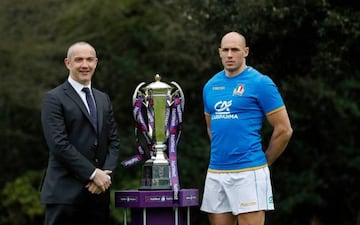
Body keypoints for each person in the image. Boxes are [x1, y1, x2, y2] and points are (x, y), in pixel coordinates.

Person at [200, 32, 293, 225]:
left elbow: (284, 130)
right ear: (219, 52)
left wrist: (263, 163)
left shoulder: (260, 83)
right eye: (225, 50)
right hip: (216, 172)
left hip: (249, 172)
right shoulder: (210, 86)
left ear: (246, 52)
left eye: (235, 49)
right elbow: (212, 130)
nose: (230, 54)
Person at [40, 42, 120, 225]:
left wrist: (104, 177)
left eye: (89, 60)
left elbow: (114, 141)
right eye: (79, 60)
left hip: (98, 196)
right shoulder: (53, 98)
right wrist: (93, 174)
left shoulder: (103, 98)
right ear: (68, 63)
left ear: (96, 62)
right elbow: (59, 144)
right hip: (64, 196)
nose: (85, 65)